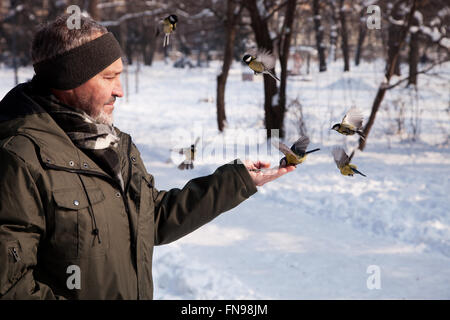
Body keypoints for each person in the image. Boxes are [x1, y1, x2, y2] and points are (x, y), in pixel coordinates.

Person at [0, 14, 295, 299]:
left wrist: (237, 181)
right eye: (109, 77)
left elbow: (148, 218)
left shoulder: (112, 143)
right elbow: (10, 287)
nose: (120, 91)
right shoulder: (19, 157)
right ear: (69, 79)